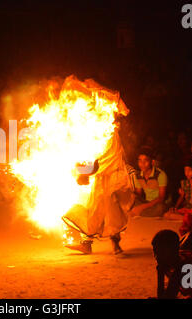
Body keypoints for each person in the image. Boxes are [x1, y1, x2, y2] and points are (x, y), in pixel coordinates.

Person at [62, 88, 133, 255]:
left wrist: (95, 87)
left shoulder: (110, 123)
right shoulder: (91, 128)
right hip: (100, 173)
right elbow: (89, 154)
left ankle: (115, 245)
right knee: (93, 208)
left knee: (112, 208)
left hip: (115, 170)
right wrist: (82, 173)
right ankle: (86, 243)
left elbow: (122, 107)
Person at [130, 147, 168, 217]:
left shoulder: (160, 175)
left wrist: (142, 207)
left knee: (160, 208)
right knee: (131, 200)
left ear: (152, 162)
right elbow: (138, 194)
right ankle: (145, 213)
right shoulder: (138, 175)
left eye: (145, 161)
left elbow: (161, 198)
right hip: (146, 203)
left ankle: (142, 213)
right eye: (140, 161)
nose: (142, 164)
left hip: (157, 203)